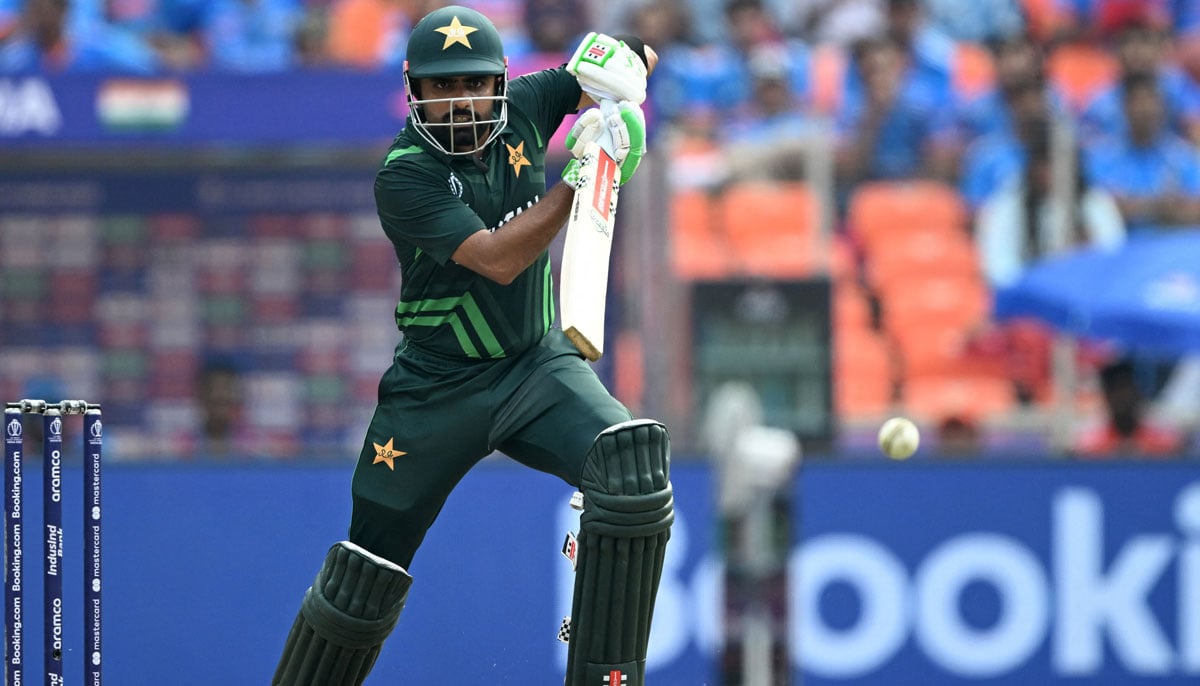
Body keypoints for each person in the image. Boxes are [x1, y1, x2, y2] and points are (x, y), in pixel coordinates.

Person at [272, 8, 673, 686]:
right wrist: (581, 180)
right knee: (365, 570)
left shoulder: (528, 102)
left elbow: (625, 62)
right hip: (434, 391)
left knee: (630, 471)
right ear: (413, 90)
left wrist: (623, 91)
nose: (459, 101)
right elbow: (497, 259)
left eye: (473, 84)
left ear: (499, 83)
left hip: (533, 366)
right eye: (441, 87)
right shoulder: (404, 174)